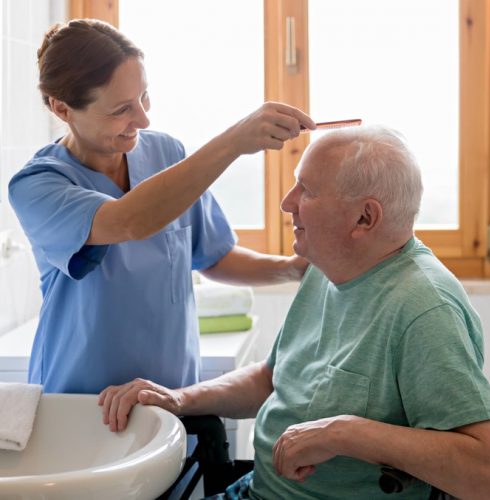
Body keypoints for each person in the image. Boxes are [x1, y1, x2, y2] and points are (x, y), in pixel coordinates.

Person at [99, 126, 490, 499]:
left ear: (365, 217)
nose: (286, 202)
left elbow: (488, 471)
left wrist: (345, 433)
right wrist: (180, 399)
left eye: (305, 190)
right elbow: (271, 378)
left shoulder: (424, 308)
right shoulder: (328, 267)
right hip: (259, 489)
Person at [7, 19, 316, 395]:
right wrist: (235, 141)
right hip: (81, 402)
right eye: (121, 108)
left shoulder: (167, 154)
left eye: (144, 97)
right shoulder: (38, 185)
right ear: (62, 109)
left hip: (171, 396)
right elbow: (129, 221)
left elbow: (213, 256)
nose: (142, 118)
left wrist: (293, 270)